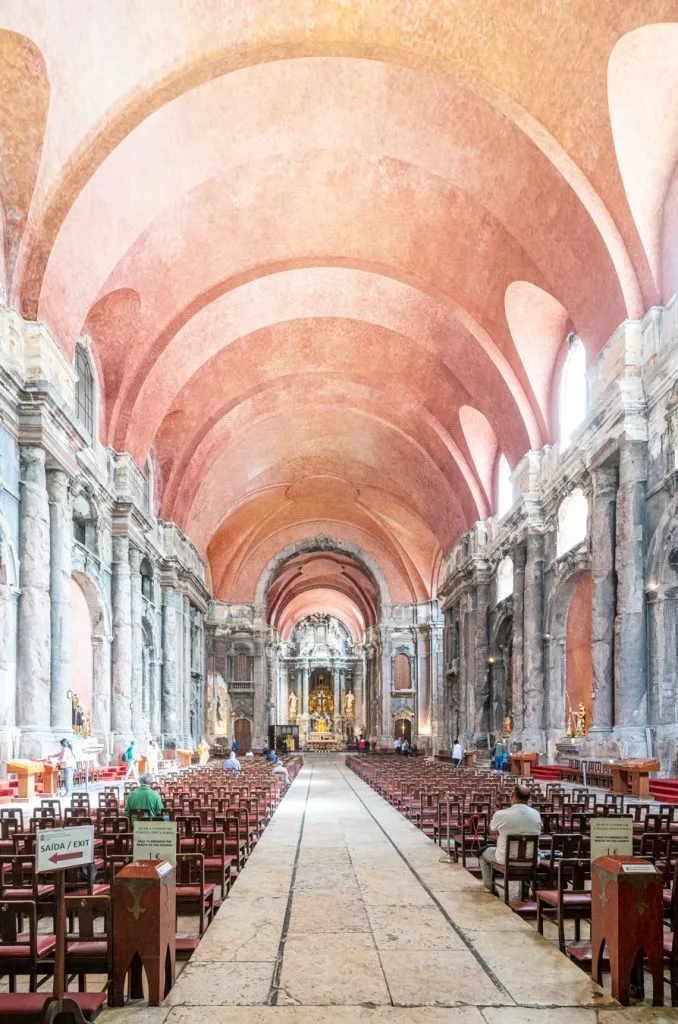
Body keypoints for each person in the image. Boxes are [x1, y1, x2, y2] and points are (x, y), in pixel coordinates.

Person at [480, 784, 542, 890]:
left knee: (483, 854)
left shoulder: (501, 814)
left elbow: (492, 831)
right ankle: (524, 893)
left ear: (512, 795)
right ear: (528, 799)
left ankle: (490, 889)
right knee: (527, 853)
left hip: (506, 859)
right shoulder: (536, 814)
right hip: (532, 860)